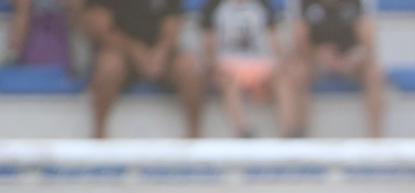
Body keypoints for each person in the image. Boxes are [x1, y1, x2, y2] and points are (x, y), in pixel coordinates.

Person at [84, 0, 204, 139]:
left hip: (160, 55)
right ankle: (99, 133)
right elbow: (101, 29)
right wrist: (135, 51)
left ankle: (194, 135)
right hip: (120, 52)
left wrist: (160, 54)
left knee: (190, 68)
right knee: (108, 66)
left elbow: (172, 26)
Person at [282, 0, 385, 137]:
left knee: (374, 73)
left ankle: (376, 140)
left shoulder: (358, 4)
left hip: (350, 59)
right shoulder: (304, 4)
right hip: (315, 60)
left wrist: (352, 59)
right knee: (296, 72)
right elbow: (299, 42)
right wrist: (318, 55)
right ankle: (298, 137)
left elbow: (368, 45)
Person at [201, 0, 286, 138]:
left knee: (284, 79)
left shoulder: (263, 5)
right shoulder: (214, 6)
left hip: (259, 64)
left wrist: (279, 65)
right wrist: (213, 67)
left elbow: (274, 44)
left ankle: (289, 135)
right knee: (227, 80)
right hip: (228, 64)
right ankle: (243, 130)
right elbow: (208, 47)